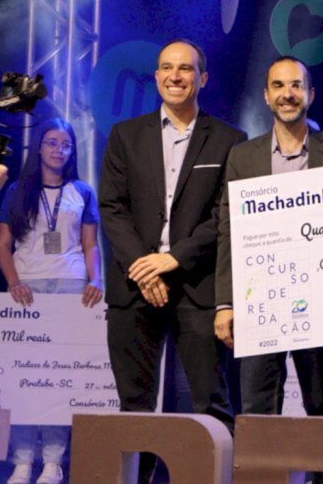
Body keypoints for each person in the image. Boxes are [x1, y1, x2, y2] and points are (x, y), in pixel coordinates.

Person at [99, 39, 245, 482]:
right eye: (166, 68)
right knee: (135, 407)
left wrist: (173, 260)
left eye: (185, 69)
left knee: (210, 402)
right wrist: (145, 265)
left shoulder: (228, 140)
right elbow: (112, 207)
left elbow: (225, 214)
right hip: (134, 285)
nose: (174, 76)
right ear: (157, 76)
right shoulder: (126, 135)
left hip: (197, 286)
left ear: (203, 77)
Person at [214, 57, 323, 484]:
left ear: (311, 94)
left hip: (320, 302)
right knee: (257, 408)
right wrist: (225, 302)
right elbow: (228, 231)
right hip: (261, 302)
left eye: (296, 85)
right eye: (278, 86)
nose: (287, 94)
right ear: (266, 95)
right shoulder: (243, 156)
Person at [0, 118, 103, 484]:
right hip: (27, 288)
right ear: (39, 147)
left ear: (72, 151)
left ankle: (53, 461)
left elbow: (90, 244)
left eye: (66, 144)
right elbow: (1, 244)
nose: (59, 149)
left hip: (71, 288)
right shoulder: (17, 190)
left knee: (59, 379)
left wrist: (95, 279)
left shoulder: (83, 191)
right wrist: (13, 282)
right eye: (52, 143)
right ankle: (22, 461)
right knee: (24, 376)